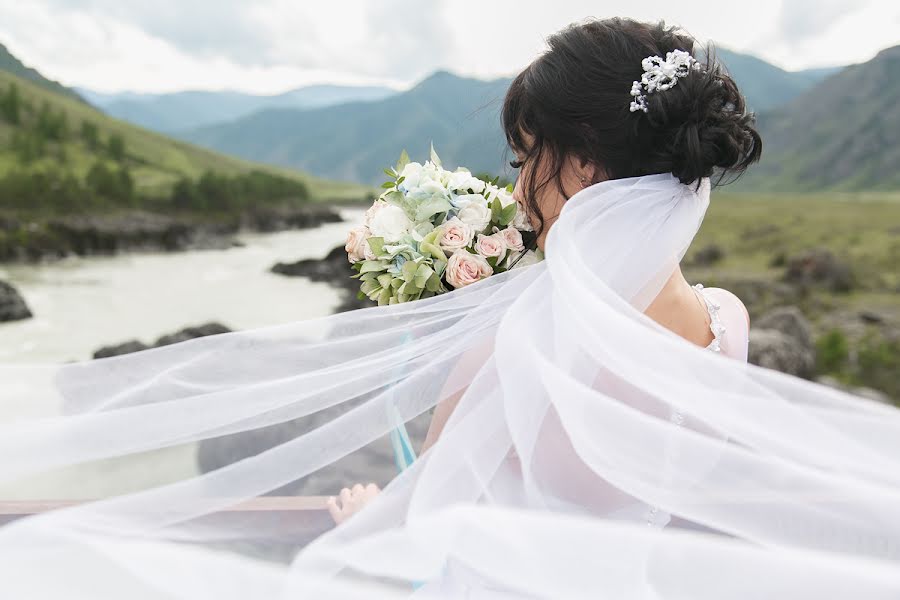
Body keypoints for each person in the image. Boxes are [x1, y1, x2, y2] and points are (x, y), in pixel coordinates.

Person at [2, 17, 900, 600]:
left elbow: (428, 520)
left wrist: (365, 518)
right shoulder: (727, 322)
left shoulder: (528, 336)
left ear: (582, 163)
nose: (516, 189)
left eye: (524, 156)